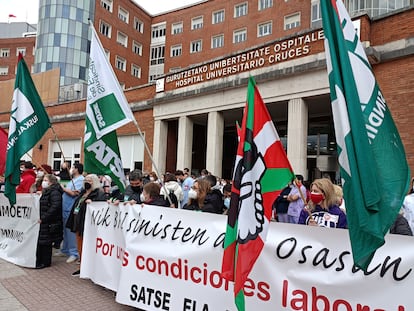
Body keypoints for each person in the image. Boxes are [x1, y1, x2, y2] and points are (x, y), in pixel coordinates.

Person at [66, 174, 107, 276]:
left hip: (88, 224)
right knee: (80, 246)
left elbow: (101, 206)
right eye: (86, 180)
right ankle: (82, 267)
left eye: (90, 181)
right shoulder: (83, 193)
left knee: (88, 246)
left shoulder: (98, 193)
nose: (87, 182)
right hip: (78, 222)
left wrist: (92, 202)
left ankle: (90, 268)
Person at [36, 174, 63, 269]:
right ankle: (40, 260)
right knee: (42, 240)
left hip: (49, 221)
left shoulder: (54, 192)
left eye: (45, 180)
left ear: (51, 182)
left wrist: (44, 217)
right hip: (45, 219)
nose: (44, 182)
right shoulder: (48, 191)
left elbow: (55, 206)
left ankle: (45, 262)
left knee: (46, 242)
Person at [58, 163, 84, 263]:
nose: (71, 169)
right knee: (65, 230)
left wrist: (62, 188)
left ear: (77, 169)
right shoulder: (73, 179)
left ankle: (74, 253)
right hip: (66, 207)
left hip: (71, 208)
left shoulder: (80, 180)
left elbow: (74, 193)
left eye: (73, 168)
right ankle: (65, 249)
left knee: (70, 231)